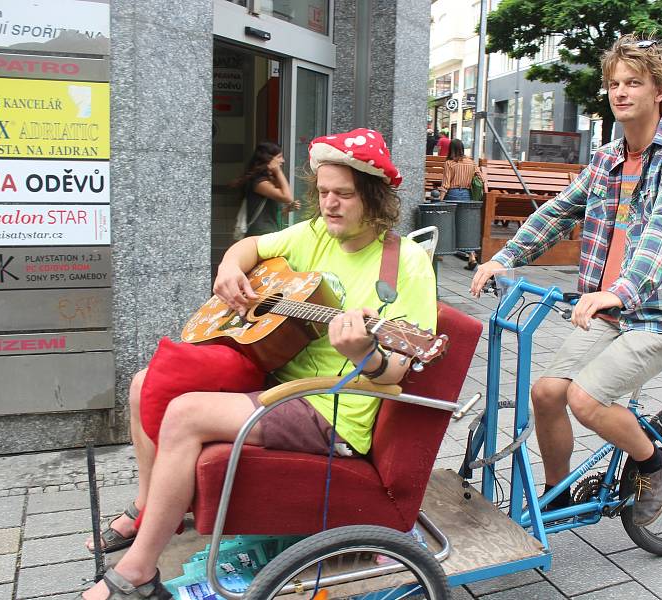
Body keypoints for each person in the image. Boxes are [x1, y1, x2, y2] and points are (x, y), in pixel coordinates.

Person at [77, 128, 437, 600]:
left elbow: (396, 373)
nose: (329, 204)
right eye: (324, 192)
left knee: (185, 414)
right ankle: (150, 507)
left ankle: (139, 572)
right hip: (273, 375)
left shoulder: (404, 264)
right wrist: (229, 268)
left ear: (374, 196)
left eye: (344, 195)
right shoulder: (314, 234)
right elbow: (251, 248)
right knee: (145, 382)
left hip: (330, 406)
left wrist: (363, 353)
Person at [471, 35, 662, 527]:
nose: (620, 92)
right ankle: (556, 496)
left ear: (659, 90)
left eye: (634, 83)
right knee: (545, 393)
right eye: (614, 84)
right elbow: (561, 209)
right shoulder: (607, 159)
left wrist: (619, 291)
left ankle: (654, 461)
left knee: (586, 398)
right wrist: (505, 257)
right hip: (609, 309)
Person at [231, 142, 300, 239]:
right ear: (269, 159)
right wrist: (278, 171)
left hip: (267, 234)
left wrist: (287, 210)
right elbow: (288, 197)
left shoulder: (265, 181)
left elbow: (268, 216)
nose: (283, 160)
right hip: (261, 236)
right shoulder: (259, 182)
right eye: (279, 157)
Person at [441, 138, 483, 269]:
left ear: (451, 149)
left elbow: (446, 184)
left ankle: (440, 253)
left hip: (452, 194)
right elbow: (481, 177)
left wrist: (440, 200)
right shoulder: (471, 162)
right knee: (466, 225)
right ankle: (472, 257)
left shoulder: (449, 163)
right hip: (466, 195)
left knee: (447, 222)